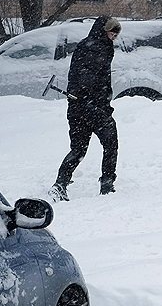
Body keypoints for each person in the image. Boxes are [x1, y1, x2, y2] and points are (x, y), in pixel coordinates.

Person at [50, 16, 121, 201]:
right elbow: (91, 80)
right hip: (92, 108)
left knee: (78, 150)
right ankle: (107, 185)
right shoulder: (98, 48)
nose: (114, 37)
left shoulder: (87, 45)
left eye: (115, 35)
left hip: (78, 107)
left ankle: (60, 184)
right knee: (110, 143)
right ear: (103, 30)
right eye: (112, 33)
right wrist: (99, 104)